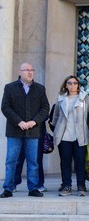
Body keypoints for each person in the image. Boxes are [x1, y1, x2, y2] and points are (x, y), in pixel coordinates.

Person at [1, 63, 50, 198]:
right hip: (14, 131)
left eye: (32, 70)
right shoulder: (10, 87)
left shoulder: (40, 89)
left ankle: (33, 188)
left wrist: (34, 121)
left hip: (33, 131)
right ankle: (8, 188)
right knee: (11, 160)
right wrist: (19, 122)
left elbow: (45, 108)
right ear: (20, 72)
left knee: (33, 161)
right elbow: (5, 107)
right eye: (27, 70)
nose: (30, 72)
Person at [51, 75, 89, 196]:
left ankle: (81, 186)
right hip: (64, 136)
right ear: (66, 85)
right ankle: (66, 186)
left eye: (75, 83)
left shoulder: (85, 98)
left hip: (80, 136)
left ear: (78, 85)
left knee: (80, 162)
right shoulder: (61, 98)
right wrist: (56, 130)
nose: (72, 85)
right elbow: (55, 117)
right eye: (70, 83)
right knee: (65, 162)